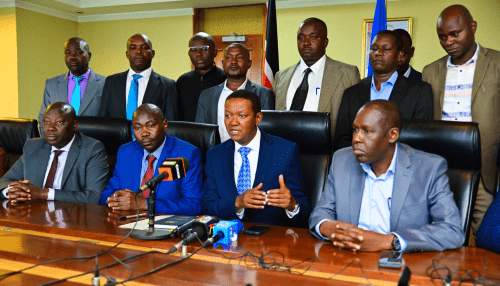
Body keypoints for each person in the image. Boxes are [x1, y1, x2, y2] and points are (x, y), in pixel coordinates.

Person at [310, 100, 464, 252]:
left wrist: (389, 241)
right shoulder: (342, 160)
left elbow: (451, 230)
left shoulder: (429, 169)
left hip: (401, 265)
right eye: (355, 130)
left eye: (367, 131)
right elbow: (320, 213)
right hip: (347, 258)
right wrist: (327, 227)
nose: (356, 138)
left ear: (392, 135)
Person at [422, 4, 500, 232]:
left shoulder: (496, 63)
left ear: (473, 27)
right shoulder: (430, 71)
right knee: (442, 232)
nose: (448, 42)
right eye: (442, 37)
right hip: (442, 169)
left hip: (486, 169)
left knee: (485, 237)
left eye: (455, 34)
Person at [202, 90, 310, 227]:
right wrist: (237, 202)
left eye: (242, 116)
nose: (233, 122)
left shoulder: (285, 151)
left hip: (272, 240)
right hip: (227, 240)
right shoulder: (214, 155)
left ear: (257, 118)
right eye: (228, 115)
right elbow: (207, 205)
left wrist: (292, 205)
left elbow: (305, 209)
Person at [334, 30, 433, 150]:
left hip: (401, 165)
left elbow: (420, 139)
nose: (378, 53)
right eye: (374, 48)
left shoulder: (420, 91)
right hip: (357, 163)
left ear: (399, 55)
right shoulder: (351, 93)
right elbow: (342, 139)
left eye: (386, 49)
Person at [100, 104, 203, 215]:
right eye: (138, 128)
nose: (144, 133)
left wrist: (145, 204)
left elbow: (194, 204)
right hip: (127, 224)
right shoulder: (126, 152)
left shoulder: (187, 153)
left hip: (165, 226)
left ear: (164, 125)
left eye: (150, 126)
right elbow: (108, 192)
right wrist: (114, 201)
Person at [0, 102, 109, 205]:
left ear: (74, 125)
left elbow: (94, 197)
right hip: (33, 214)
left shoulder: (92, 149)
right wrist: (11, 191)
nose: (51, 128)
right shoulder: (33, 146)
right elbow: (4, 181)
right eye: (46, 122)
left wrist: (43, 193)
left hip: (70, 218)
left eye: (59, 122)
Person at [274, 18, 361, 138]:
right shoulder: (281, 76)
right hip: (285, 150)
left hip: (328, 151)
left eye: (313, 37)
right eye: (301, 37)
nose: (306, 42)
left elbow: (356, 120)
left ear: (325, 42)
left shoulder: (348, 73)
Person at [195, 43, 275, 142]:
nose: (233, 62)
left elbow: (267, 133)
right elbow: (200, 134)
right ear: (223, 63)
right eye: (229, 58)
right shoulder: (206, 95)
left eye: (240, 57)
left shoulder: (264, 94)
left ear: (249, 63)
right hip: (217, 154)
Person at [99, 34, 177, 121]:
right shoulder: (111, 82)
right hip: (117, 135)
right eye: (133, 48)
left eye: (144, 47)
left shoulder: (167, 85)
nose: (139, 51)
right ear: (127, 54)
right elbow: (103, 120)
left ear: (152, 53)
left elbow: (170, 123)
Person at [39, 37, 106, 131]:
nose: (72, 57)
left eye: (78, 53)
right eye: (68, 53)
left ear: (89, 56)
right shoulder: (52, 84)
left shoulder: (105, 83)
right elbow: (43, 117)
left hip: (92, 142)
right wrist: (49, 144)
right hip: (59, 143)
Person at [177, 32, 226, 122]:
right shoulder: (182, 81)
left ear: (215, 52)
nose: (198, 54)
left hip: (217, 134)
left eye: (204, 49)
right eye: (194, 49)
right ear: (189, 53)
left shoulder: (226, 79)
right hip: (186, 135)